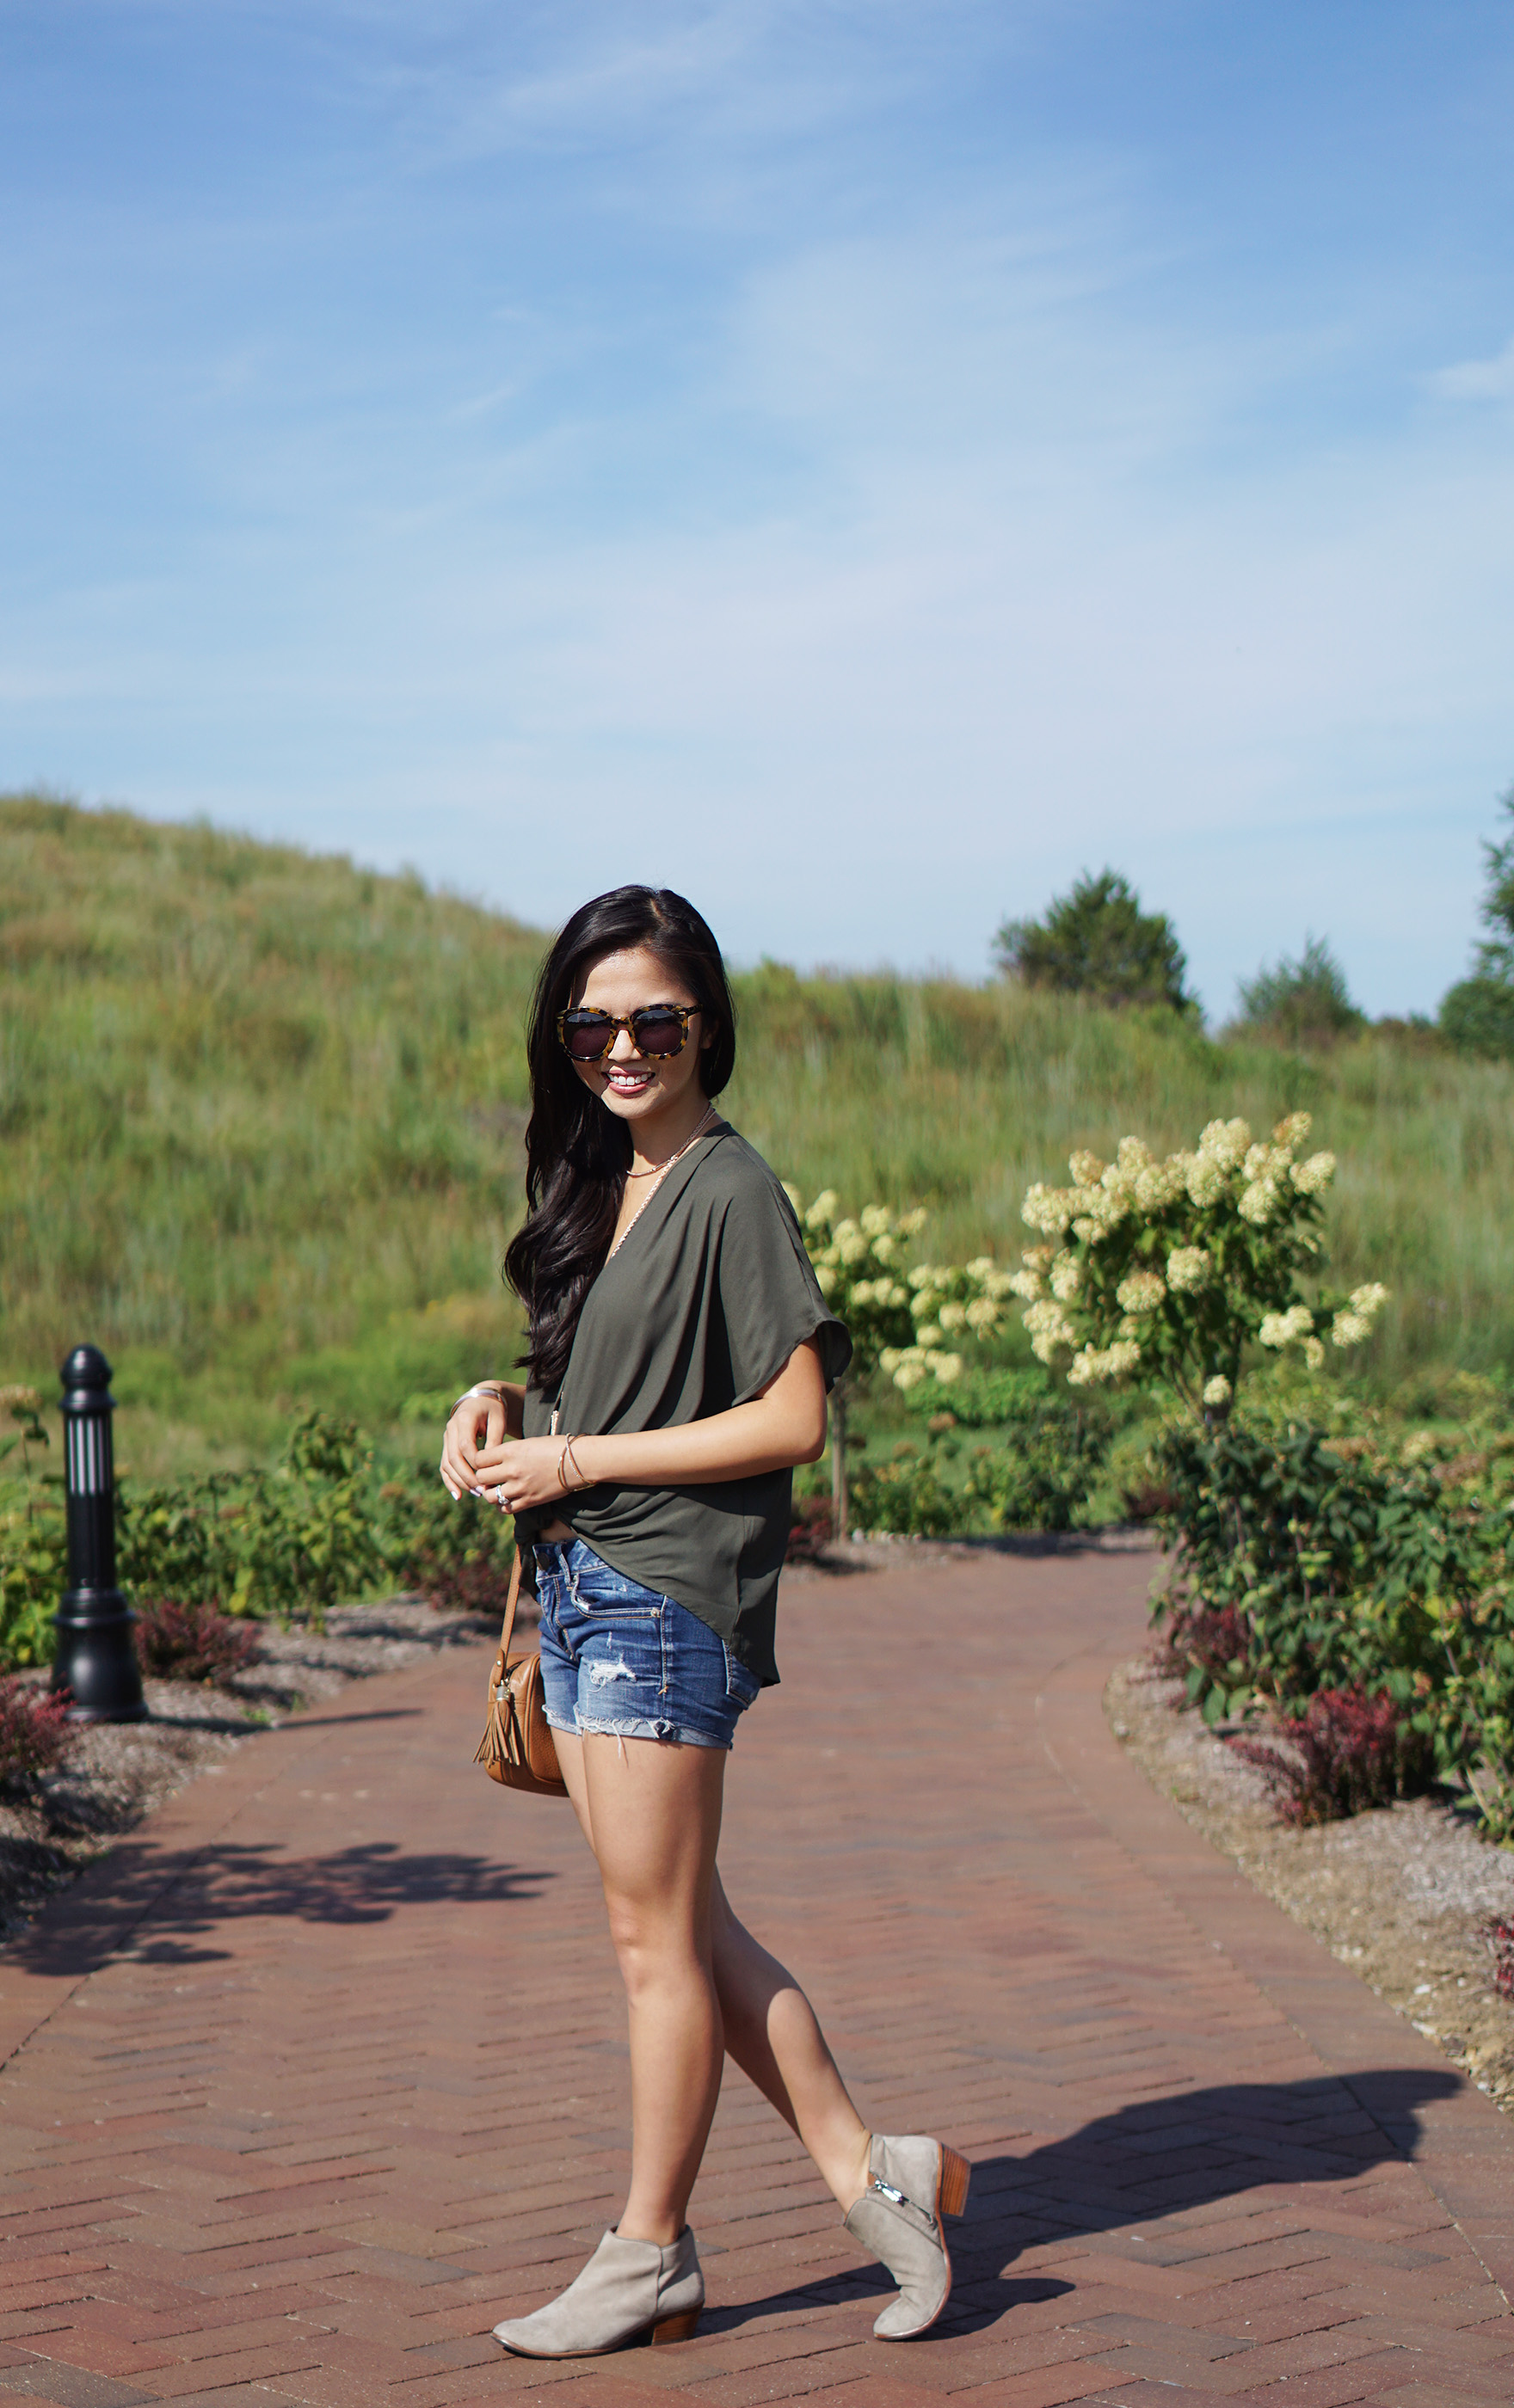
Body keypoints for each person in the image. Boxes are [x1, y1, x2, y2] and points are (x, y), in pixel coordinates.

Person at [440, 884, 969, 2360]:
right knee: (687, 1928)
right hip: (593, 1585)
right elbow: (616, 1385)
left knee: (653, 1946)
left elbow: (792, 1414)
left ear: (705, 1027)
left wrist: (578, 1460)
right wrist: (501, 1408)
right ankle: (881, 2175)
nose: (621, 1046)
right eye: (592, 1022)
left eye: (652, 1021)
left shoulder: (731, 1187)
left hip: (667, 1597)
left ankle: (649, 2252)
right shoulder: (607, 1182)